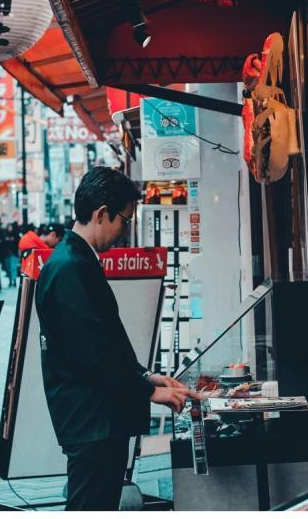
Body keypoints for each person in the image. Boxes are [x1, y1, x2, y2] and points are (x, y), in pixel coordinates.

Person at [34, 167, 200, 511]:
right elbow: (91, 352)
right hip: (91, 417)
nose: (125, 231)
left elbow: (104, 341)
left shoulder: (76, 261)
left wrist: (145, 376)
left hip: (97, 414)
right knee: (90, 506)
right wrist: (149, 390)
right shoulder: (69, 266)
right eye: (124, 220)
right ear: (101, 214)